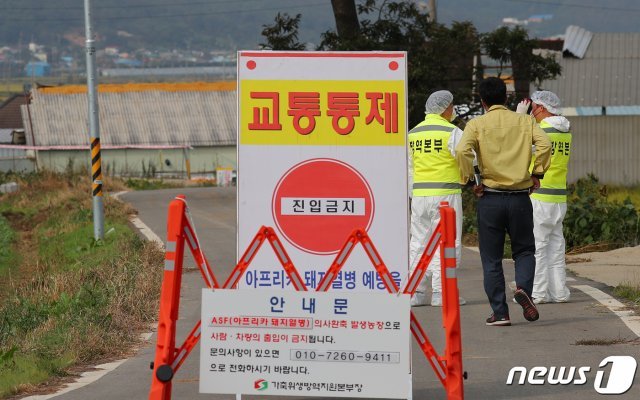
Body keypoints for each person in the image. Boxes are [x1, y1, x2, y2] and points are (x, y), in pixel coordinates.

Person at [455, 77, 551, 326]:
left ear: (482, 101)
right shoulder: (525, 120)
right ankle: (523, 290)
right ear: (506, 98)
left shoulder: (476, 124)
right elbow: (545, 144)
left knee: (491, 258)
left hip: (490, 199)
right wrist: (536, 173)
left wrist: (470, 179)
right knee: (525, 250)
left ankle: (500, 313)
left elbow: (462, 151)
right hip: (520, 198)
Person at [408, 90, 466, 307]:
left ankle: (415, 292)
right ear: (445, 108)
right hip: (446, 194)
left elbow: (409, 169)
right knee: (447, 242)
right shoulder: (452, 132)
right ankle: (443, 293)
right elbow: (468, 159)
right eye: (451, 106)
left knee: (418, 243)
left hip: (420, 197)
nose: (452, 110)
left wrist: (413, 195)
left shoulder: (413, 133)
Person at [516, 91, 572, 303]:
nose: (532, 112)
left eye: (533, 108)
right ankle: (559, 292)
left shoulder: (541, 130)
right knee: (556, 246)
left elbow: (519, 145)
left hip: (540, 195)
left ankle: (538, 293)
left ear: (541, 108)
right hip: (559, 196)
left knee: (537, 247)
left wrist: (521, 119)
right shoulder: (565, 130)